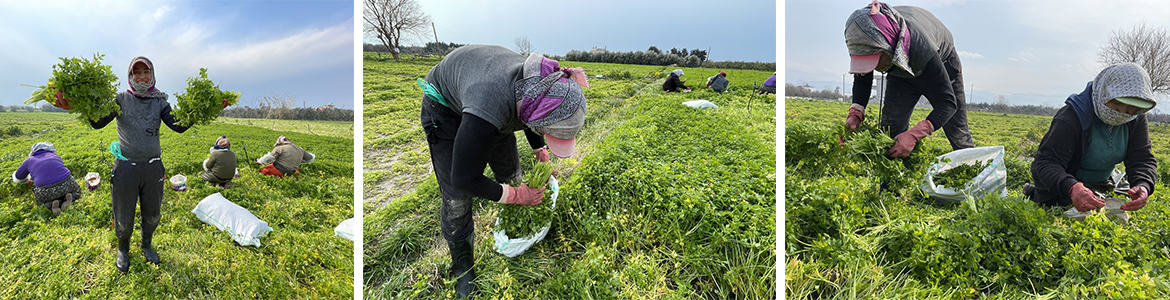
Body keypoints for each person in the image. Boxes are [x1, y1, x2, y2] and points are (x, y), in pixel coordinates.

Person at [419, 44, 588, 298]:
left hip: (489, 103)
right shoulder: (490, 104)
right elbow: (465, 178)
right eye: (545, 130)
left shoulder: (537, 83)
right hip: (446, 111)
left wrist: (540, 149)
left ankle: (516, 230)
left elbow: (533, 112)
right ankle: (464, 271)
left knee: (512, 174)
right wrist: (518, 195)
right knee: (458, 198)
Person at [56, 56, 211, 273]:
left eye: (146, 72)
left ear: (152, 75)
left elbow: (178, 126)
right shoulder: (120, 99)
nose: (142, 76)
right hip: (126, 168)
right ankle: (123, 248)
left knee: (152, 212)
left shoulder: (160, 101)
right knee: (123, 213)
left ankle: (146, 245)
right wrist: (81, 105)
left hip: (153, 167)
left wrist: (202, 109)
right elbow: (98, 123)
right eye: (136, 72)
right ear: (130, 76)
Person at [842, 1, 974, 157]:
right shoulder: (865, 38)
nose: (874, 68)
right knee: (890, 131)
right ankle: (893, 179)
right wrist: (855, 114)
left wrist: (914, 135)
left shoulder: (921, 47)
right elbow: (863, 78)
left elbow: (947, 103)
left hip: (940, 62)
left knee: (957, 131)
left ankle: (976, 175)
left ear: (888, 47)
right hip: (900, 71)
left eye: (875, 61)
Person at [1027, 63, 1157, 213]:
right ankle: (1035, 192)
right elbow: (1046, 162)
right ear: (1104, 93)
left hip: (1101, 182)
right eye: (1116, 104)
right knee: (1065, 211)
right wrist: (1071, 187)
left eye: (1130, 109)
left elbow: (1141, 158)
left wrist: (1144, 184)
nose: (1121, 113)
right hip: (1063, 184)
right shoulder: (1072, 117)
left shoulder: (1135, 119)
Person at [12, 142, 81, 216]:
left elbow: (17, 177)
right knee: (76, 190)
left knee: (43, 201)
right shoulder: (54, 155)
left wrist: (27, 181)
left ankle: (52, 203)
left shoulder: (29, 160)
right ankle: (70, 197)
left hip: (45, 191)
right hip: (67, 184)